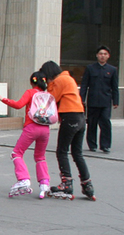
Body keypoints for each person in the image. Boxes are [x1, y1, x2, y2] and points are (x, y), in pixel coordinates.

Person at [39, 61, 95, 201]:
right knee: (77, 153)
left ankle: (66, 183)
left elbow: (52, 99)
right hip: (80, 117)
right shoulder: (68, 78)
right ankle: (87, 185)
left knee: (62, 151)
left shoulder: (59, 80)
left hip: (70, 118)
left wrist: (47, 87)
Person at [0, 72, 51, 199]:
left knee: (17, 153)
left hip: (31, 127)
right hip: (45, 129)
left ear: (32, 82)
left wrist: (2, 99)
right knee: (40, 156)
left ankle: (23, 179)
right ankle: (44, 184)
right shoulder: (47, 95)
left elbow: (18, 105)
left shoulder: (30, 92)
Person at [79, 45, 119, 153]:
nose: (102, 56)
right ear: (97, 55)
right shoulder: (90, 68)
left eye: (105, 54)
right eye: (101, 54)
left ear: (108, 56)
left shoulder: (112, 70)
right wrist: (81, 98)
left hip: (106, 101)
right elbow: (84, 85)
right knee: (92, 123)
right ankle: (92, 145)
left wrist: (116, 101)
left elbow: (115, 87)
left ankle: (105, 145)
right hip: (92, 101)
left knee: (105, 122)